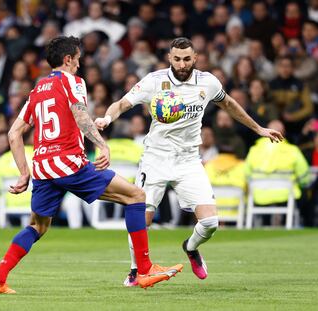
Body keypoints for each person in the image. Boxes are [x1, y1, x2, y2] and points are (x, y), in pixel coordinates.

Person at [0, 36, 182, 294]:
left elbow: (13, 134)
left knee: (37, 226)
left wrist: (25, 173)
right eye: (77, 59)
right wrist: (102, 144)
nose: (79, 64)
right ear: (68, 59)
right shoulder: (74, 82)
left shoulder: (37, 90)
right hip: (69, 163)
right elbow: (80, 115)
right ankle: (144, 269)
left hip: (43, 168)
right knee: (136, 196)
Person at [94, 37, 283, 286]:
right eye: (176, 59)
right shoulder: (154, 81)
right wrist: (107, 119)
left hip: (189, 160)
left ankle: (191, 247)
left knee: (210, 223)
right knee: (142, 219)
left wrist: (258, 128)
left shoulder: (208, 82)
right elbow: (122, 104)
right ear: (169, 58)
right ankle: (135, 269)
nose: (181, 64)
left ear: (195, 58)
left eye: (186, 59)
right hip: (156, 158)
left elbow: (228, 103)